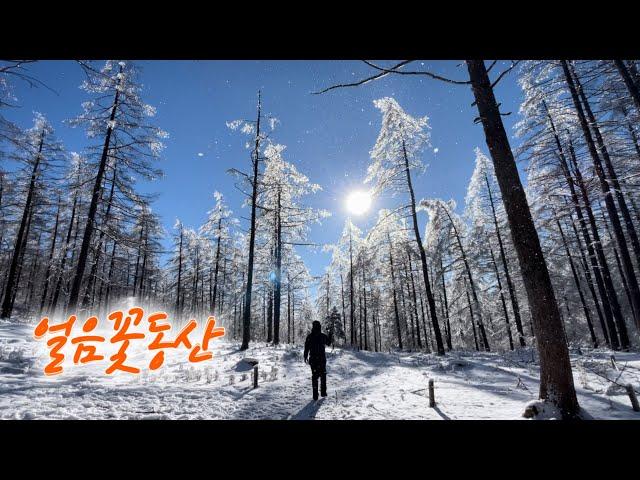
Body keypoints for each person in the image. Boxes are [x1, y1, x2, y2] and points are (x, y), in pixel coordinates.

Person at [303, 320, 332, 401]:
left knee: (315, 376)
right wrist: (330, 334)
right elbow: (329, 343)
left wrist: (305, 357)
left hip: (313, 360)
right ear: (319, 326)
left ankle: (315, 395)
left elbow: (306, 348)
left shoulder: (309, 337)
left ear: (313, 326)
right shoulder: (322, 336)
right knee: (323, 376)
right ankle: (323, 392)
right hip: (321, 359)